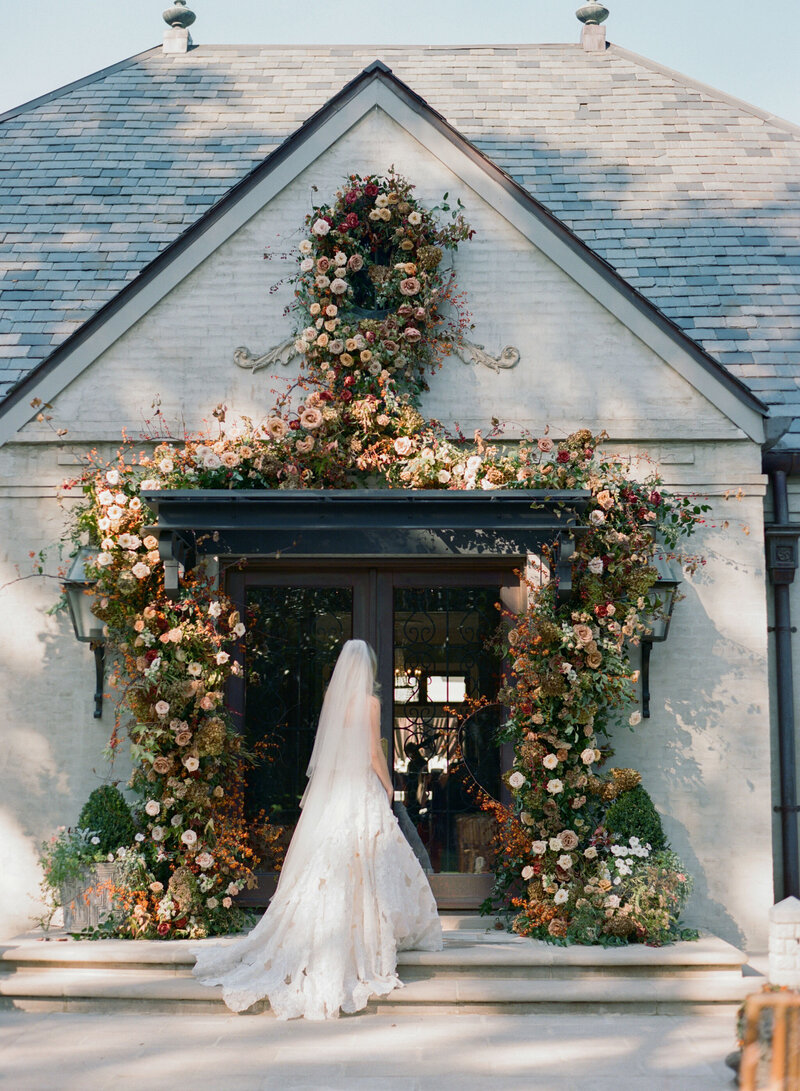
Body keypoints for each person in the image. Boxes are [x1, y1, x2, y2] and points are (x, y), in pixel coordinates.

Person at [192, 639, 443, 1019]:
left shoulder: (335, 702)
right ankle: (366, 935)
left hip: (337, 790)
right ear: (368, 669)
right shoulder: (370, 703)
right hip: (361, 788)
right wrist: (388, 784)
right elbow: (373, 751)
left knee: (332, 860)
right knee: (370, 855)